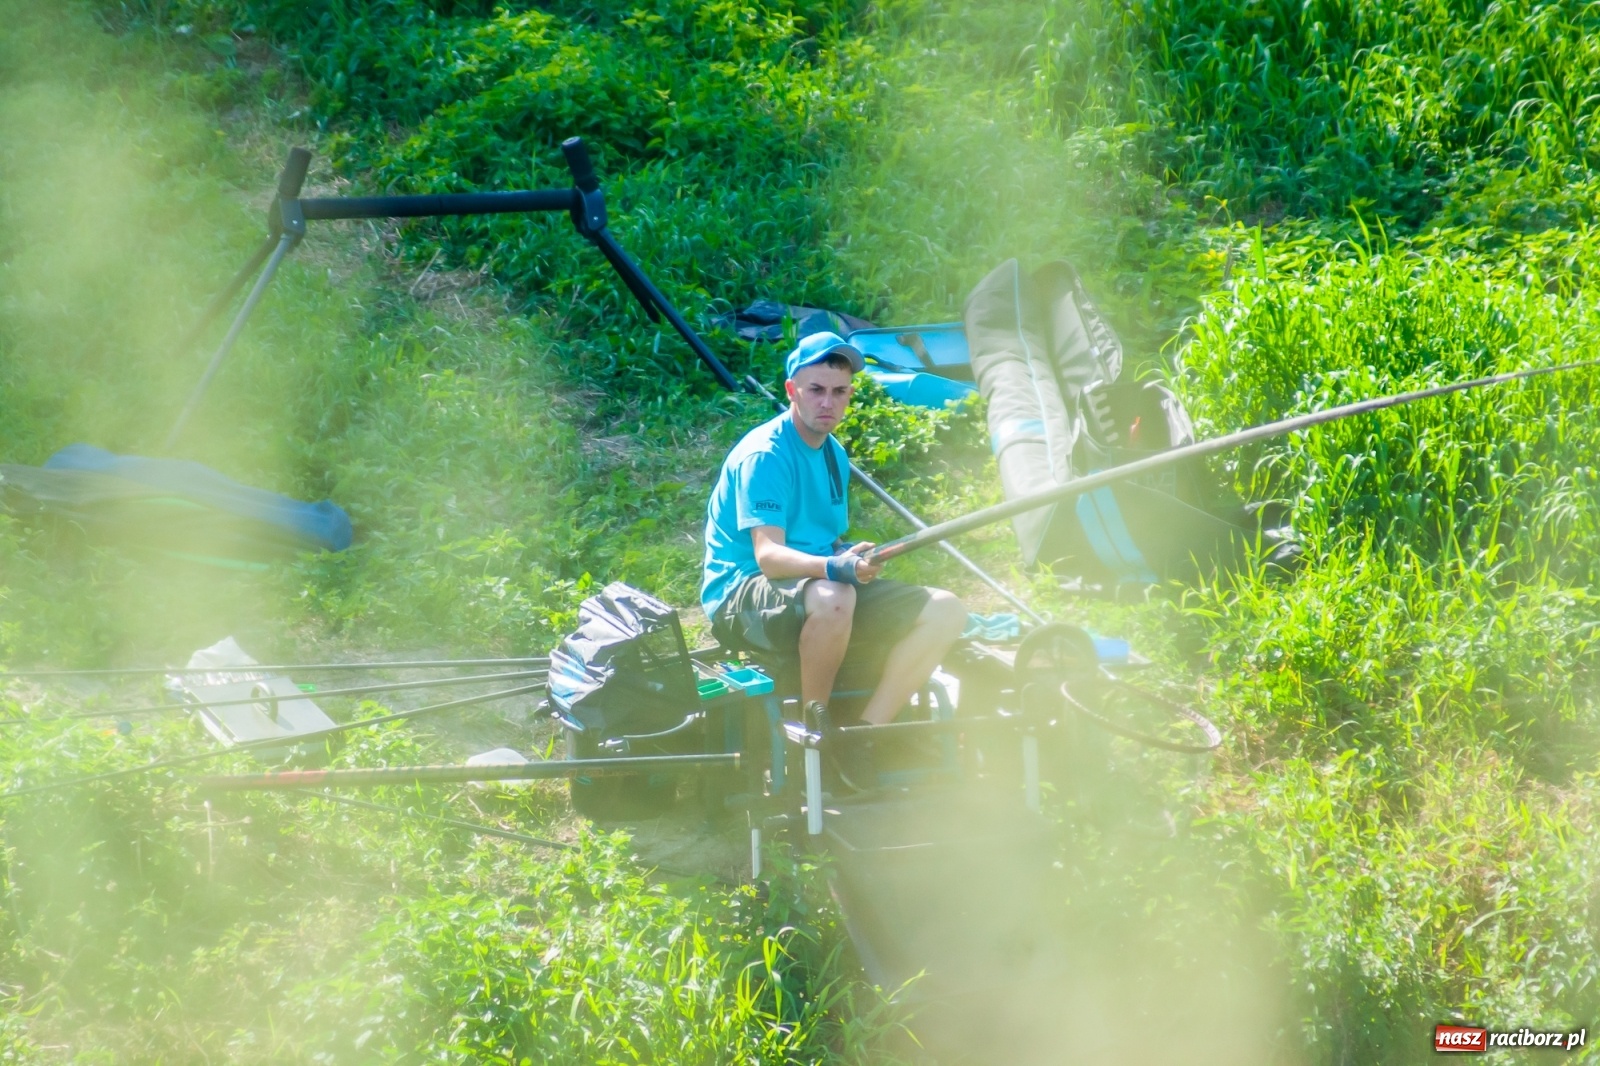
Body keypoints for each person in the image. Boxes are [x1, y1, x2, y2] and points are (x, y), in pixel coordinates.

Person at [701, 331, 967, 728]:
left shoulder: (833, 453)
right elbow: (769, 558)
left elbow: (823, 541)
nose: (828, 402)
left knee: (946, 609)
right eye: (816, 390)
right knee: (835, 595)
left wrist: (847, 556)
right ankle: (816, 730)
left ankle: (867, 732)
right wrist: (834, 568)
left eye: (840, 391)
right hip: (740, 593)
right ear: (792, 390)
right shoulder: (765, 456)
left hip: (814, 585)